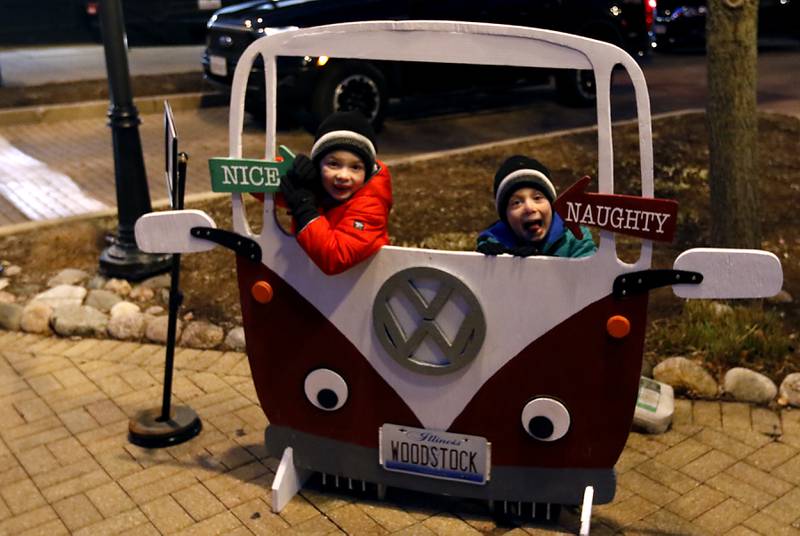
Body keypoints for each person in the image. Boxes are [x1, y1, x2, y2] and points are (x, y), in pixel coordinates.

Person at [279, 111, 392, 275]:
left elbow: (336, 258)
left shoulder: (371, 205)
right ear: (318, 166)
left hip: (359, 294)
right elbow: (256, 187)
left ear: (367, 173)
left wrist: (304, 208)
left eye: (355, 167)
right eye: (333, 164)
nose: (343, 176)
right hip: (317, 291)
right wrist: (291, 169)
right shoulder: (320, 185)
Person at [477, 155, 595, 258]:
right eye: (516, 202)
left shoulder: (575, 238)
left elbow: (592, 276)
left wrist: (540, 264)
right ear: (506, 217)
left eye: (537, 198)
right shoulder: (493, 244)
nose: (529, 208)